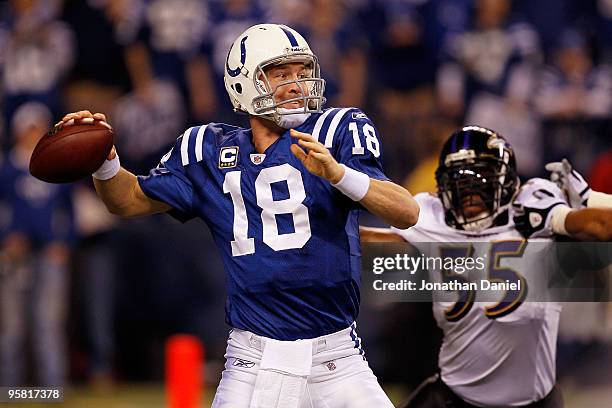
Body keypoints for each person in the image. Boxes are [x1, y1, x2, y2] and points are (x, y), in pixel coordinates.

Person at [58, 23, 419, 407]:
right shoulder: (207, 149)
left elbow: (406, 210)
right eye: (281, 74)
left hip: (338, 360)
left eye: (302, 72)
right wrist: (104, 162)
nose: (297, 85)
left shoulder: (337, 129)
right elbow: (127, 200)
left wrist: (339, 174)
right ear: (244, 84)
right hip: (254, 361)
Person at [360, 126, 612, 407]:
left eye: (480, 181)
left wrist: (590, 200)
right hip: (453, 397)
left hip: (532, 401)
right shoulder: (432, 216)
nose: (469, 193)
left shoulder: (533, 207)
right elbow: (373, 244)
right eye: (460, 183)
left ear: (506, 181)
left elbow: (602, 227)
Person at [0, 102, 74, 386]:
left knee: (48, 325)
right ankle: (9, 391)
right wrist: (6, 238)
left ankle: (53, 390)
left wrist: (64, 243)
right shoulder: (7, 170)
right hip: (14, 257)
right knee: (11, 329)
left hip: (49, 255)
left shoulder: (59, 165)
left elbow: (71, 212)